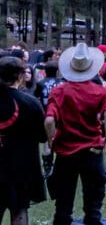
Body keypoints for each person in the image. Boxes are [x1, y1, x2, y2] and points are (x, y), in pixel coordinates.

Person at [45, 43, 106, 225]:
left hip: (65, 152)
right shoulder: (101, 91)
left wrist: (51, 140)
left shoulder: (59, 91)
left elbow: (49, 121)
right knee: (93, 209)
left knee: (63, 207)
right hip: (92, 150)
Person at [0, 56, 47, 225]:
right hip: (22, 167)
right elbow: (43, 136)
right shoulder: (31, 103)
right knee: (19, 209)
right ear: (20, 76)